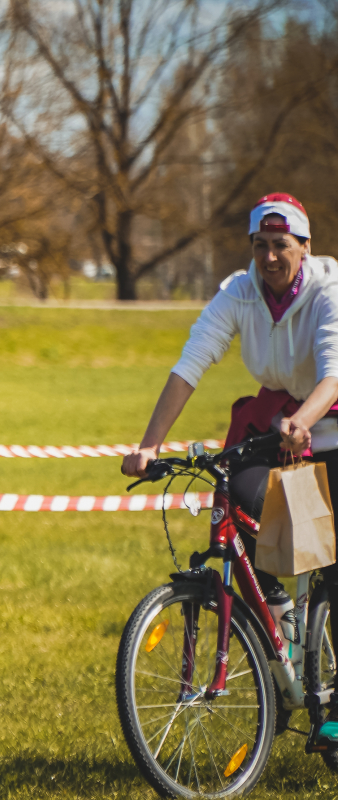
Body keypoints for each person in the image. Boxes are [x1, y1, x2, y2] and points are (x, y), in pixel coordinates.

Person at [121, 193, 338, 735]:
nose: (269, 257)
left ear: (304, 247)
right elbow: (191, 363)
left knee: (331, 559)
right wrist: (149, 445)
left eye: (280, 246)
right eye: (260, 246)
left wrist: (303, 422)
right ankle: (283, 610)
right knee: (238, 489)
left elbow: (333, 374)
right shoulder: (240, 292)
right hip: (278, 423)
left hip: (327, 421)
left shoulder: (328, 289)